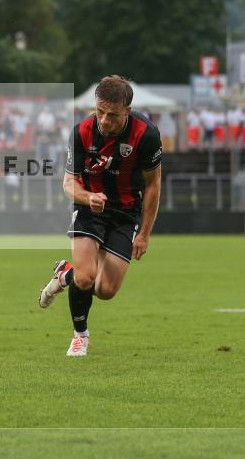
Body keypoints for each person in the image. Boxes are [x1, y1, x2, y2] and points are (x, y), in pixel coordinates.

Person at [38, 75, 162, 357]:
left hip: (125, 213)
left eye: (112, 115)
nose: (104, 120)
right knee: (86, 278)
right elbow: (69, 183)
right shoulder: (81, 132)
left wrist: (144, 233)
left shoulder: (147, 135)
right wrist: (88, 198)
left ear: (127, 112)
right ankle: (80, 335)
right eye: (100, 112)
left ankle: (64, 274)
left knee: (105, 290)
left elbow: (154, 185)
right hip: (88, 208)